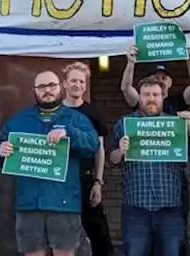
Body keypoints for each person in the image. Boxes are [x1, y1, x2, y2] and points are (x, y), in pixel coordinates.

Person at [0, 70, 99, 256]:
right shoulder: (19, 120)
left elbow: (92, 145)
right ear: (34, 91)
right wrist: (0, 150)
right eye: (42, 87)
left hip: (63, 202)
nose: (47, 90)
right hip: (29, 203)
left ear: (60, 87)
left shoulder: (75, 119)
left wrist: (70, 133)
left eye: (52, 85)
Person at [110, 77, 190, 256]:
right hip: (136, 209)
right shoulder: (125, 123)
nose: (151, 98)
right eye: (146, 94)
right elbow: (112, 159)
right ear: (139, 97)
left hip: (169, 209)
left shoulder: (175, 125)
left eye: (156, 94)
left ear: (163, 97)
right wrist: (121, 150)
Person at [62, 61, 112, 256]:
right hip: (61, 181)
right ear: (64, 83)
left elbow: (99, 149)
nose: (78, 85)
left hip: (86, 178)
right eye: (73, 80)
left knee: (99, 233)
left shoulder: (93, 113)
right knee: (61, 236)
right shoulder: (54, 112)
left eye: (82, 82)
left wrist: (98, 182)